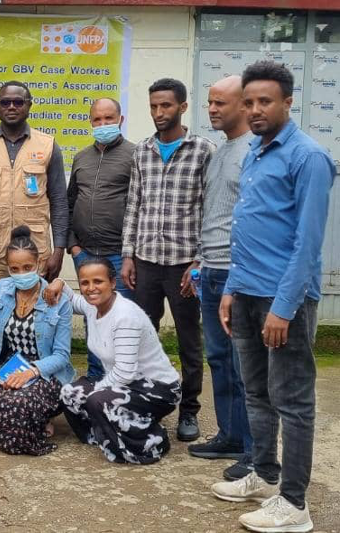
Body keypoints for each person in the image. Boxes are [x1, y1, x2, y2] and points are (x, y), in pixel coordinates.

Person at [211, 60, 336, 533]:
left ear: (288, 101)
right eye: (250, 102)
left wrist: (283, 308)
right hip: (245, 293)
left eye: (266, 101)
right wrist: (231, 289)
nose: (256, 109)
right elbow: (249, 232)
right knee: (256, 392)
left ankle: (295, 504)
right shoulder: (257, 152)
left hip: (283, 301)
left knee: (293, 400)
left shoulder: (308, 157)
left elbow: (307, 244)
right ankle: (264, 476)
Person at [120, 78, 215, 443]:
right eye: (154, 106)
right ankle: (148, 407)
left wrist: (200, 262)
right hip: (145, 262)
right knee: (143, 337)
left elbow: (212, 210)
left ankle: (189, 411)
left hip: (184, 266)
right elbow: (134, 206)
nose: (160, 113)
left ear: (182, 107)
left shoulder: (204, 150)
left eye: (167, 106)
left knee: (190, 342)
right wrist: (128, 255)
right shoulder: (142, 151)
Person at [181, 76, 254, 478]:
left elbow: (250, 220)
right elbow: (213, 214)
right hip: (210, 269)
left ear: (244, 105)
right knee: (219, 358)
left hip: (237, 272)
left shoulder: (254, 152)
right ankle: (229, 433)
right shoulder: (221, 151)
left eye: (220, 103)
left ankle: (252, 447)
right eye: (209, 102)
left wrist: (237, 271)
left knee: (245, 364)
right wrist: (199, 262)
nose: (212, 109)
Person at [51, 257, 181, 465]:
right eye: (85, 283)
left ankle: (151, 441)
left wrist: (95, 394)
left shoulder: (125, 317)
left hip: (158, 389)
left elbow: (124, 373)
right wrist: (59, 282)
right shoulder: (93, 305)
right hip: (128, 384)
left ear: (112, 283)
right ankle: (103, 435)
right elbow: (72, 299)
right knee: (70, 393)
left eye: (98, 281)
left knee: (96, 400)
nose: (91, 288)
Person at [0, 226, 74, 455]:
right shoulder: (2, 289)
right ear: (8, 268)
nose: (21, 274)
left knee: (19, 401)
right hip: (9, 365)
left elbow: (62, 356)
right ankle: (21, 427)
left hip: (45, 371)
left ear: (39, 264)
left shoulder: (56, 299)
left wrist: (32, 371)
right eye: (14, 269)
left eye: (27, 268)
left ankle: (30, 425)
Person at [0, 81, 69, 292]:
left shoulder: (48, 145)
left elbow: (60, 202)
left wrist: (59, 250)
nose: (11, 107)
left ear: (29, 106)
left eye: (18, 102)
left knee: (35, 310)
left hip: (33, 251)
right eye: (5, 102)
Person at [66, 97, 136, 382]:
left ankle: (121, 382)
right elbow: (69, 205)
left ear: (120, 120)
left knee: (120, 320)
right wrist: (74, 247)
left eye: (109, 119)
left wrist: (131, 253)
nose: (103, 124)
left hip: (120, 254)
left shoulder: (135, 154)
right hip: (86, 255)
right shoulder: (81, 157)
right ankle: (95, 379)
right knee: (93, 318)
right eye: (98, 120)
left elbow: (140, 205)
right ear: (91, 122)